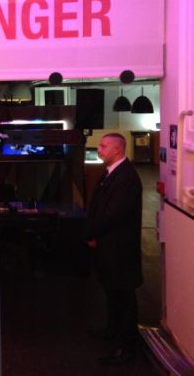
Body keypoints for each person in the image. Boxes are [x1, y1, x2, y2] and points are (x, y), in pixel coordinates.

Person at [85, 133, 143, 366]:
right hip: (110, 246)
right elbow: (100, 207)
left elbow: (112, 215)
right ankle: (112, 330)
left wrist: (89, 232)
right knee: (112, 290)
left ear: (117, 149)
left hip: (120, 249)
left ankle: (127, 346)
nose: (99, 149)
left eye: (103, 146)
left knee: (124, 295)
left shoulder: (126, 178)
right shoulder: (112, 172)